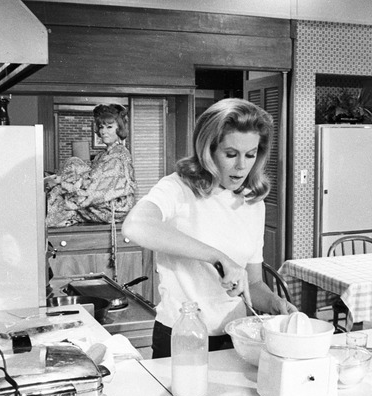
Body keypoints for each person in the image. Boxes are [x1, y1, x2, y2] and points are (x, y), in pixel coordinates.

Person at [122, 98, 297, 359]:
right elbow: (135, 225)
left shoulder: (251, 202)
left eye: (250, 155)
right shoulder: (178, 188)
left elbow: (253, 282)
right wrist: (218, 257)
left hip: (236, 337)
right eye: (230, 154)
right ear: (209, 150)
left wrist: (274, 303)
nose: (241, 166)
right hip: (181, 336)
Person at [45, 103, 137, 227]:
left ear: (119, 128)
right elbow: (90, 178)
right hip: (101, 200)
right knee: (72, 164)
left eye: (109, 127)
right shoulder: (102, 155)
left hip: (113, 207)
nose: (103, 131)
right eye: (101, 127)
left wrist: (63, 184)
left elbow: (95, 188)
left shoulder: (119, 154)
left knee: (58, 200)